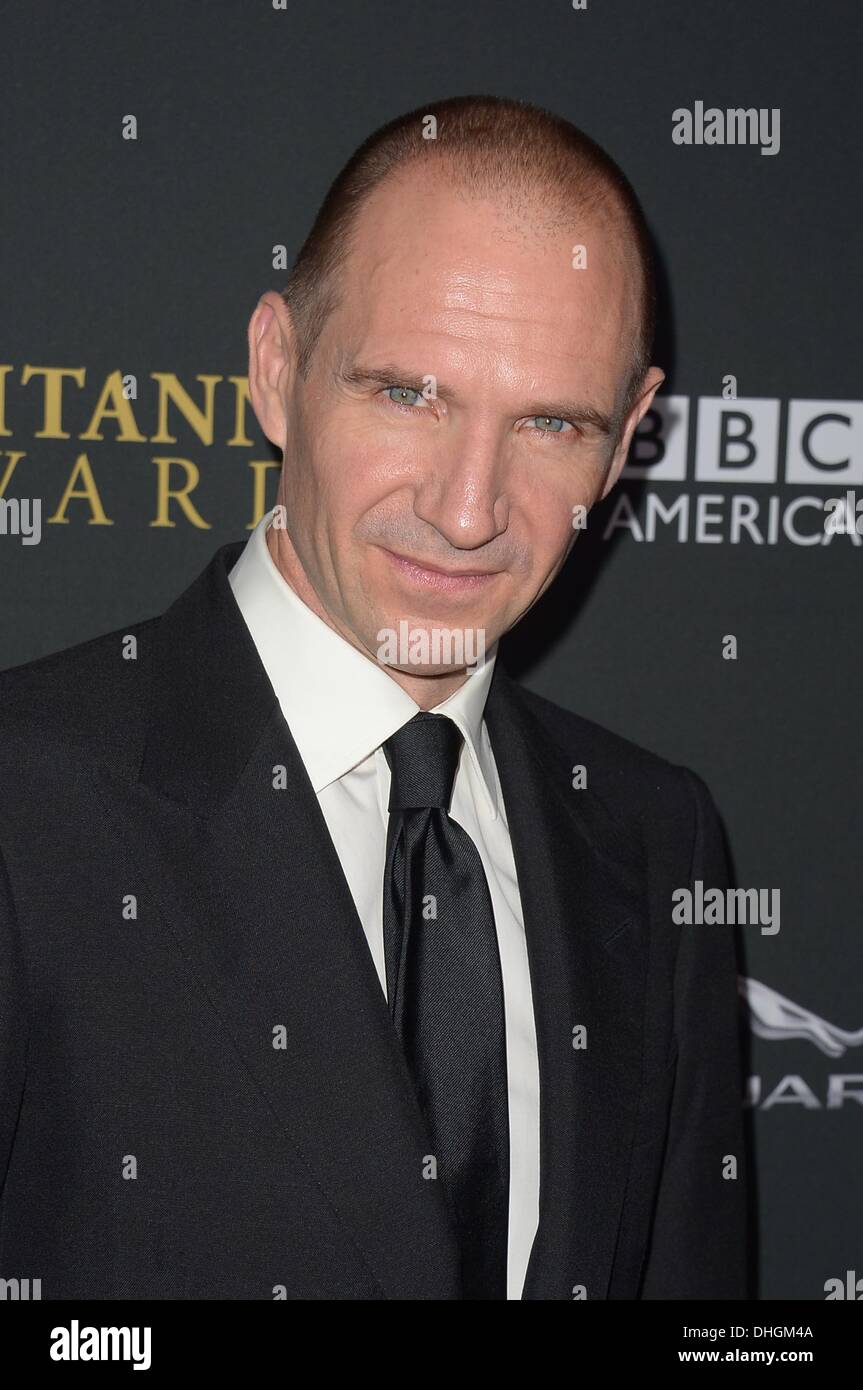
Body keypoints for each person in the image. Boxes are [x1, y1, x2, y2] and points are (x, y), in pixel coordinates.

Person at [0, 95, 746, 1300]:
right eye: (408, 394)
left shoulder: (658, 841)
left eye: (550, 423)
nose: (467, 509)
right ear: (277, 368)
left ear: (623, 447)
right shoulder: (25, 807)